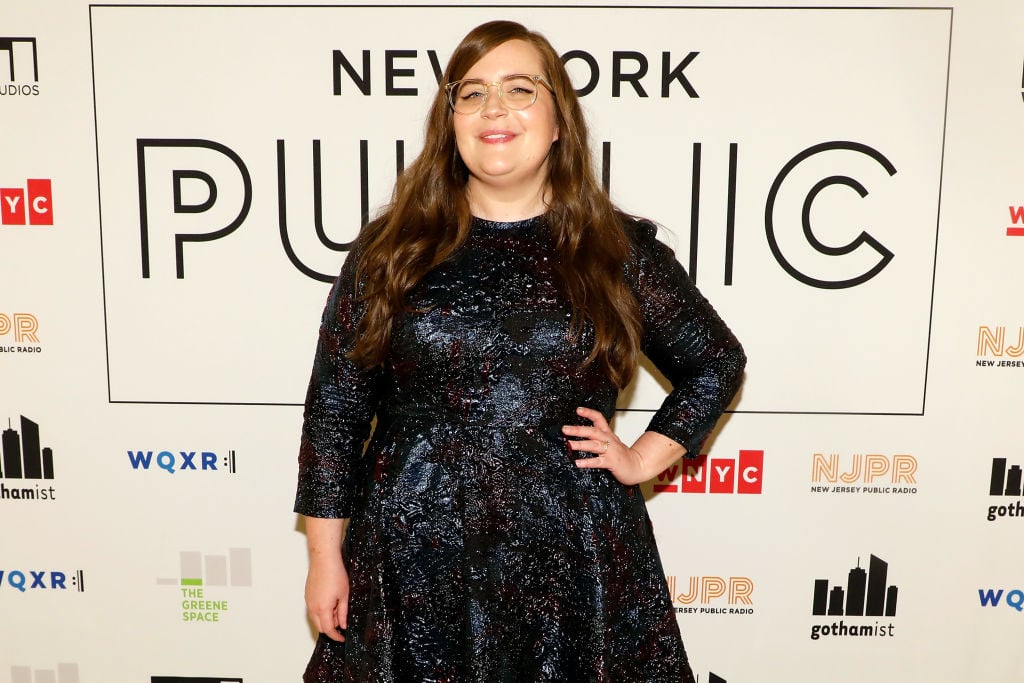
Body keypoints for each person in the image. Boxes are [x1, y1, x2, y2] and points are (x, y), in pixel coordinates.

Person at [294, 19, 745, 682]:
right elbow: (335, 409)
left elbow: (716, 362)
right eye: (470, 94)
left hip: (570, 556)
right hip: (414, 554)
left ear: (559, 119)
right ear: (450, 123)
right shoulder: (390, 252)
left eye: (519, 89)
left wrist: (644, 454)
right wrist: (325, 554)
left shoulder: (615, 250)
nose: (493, 108)